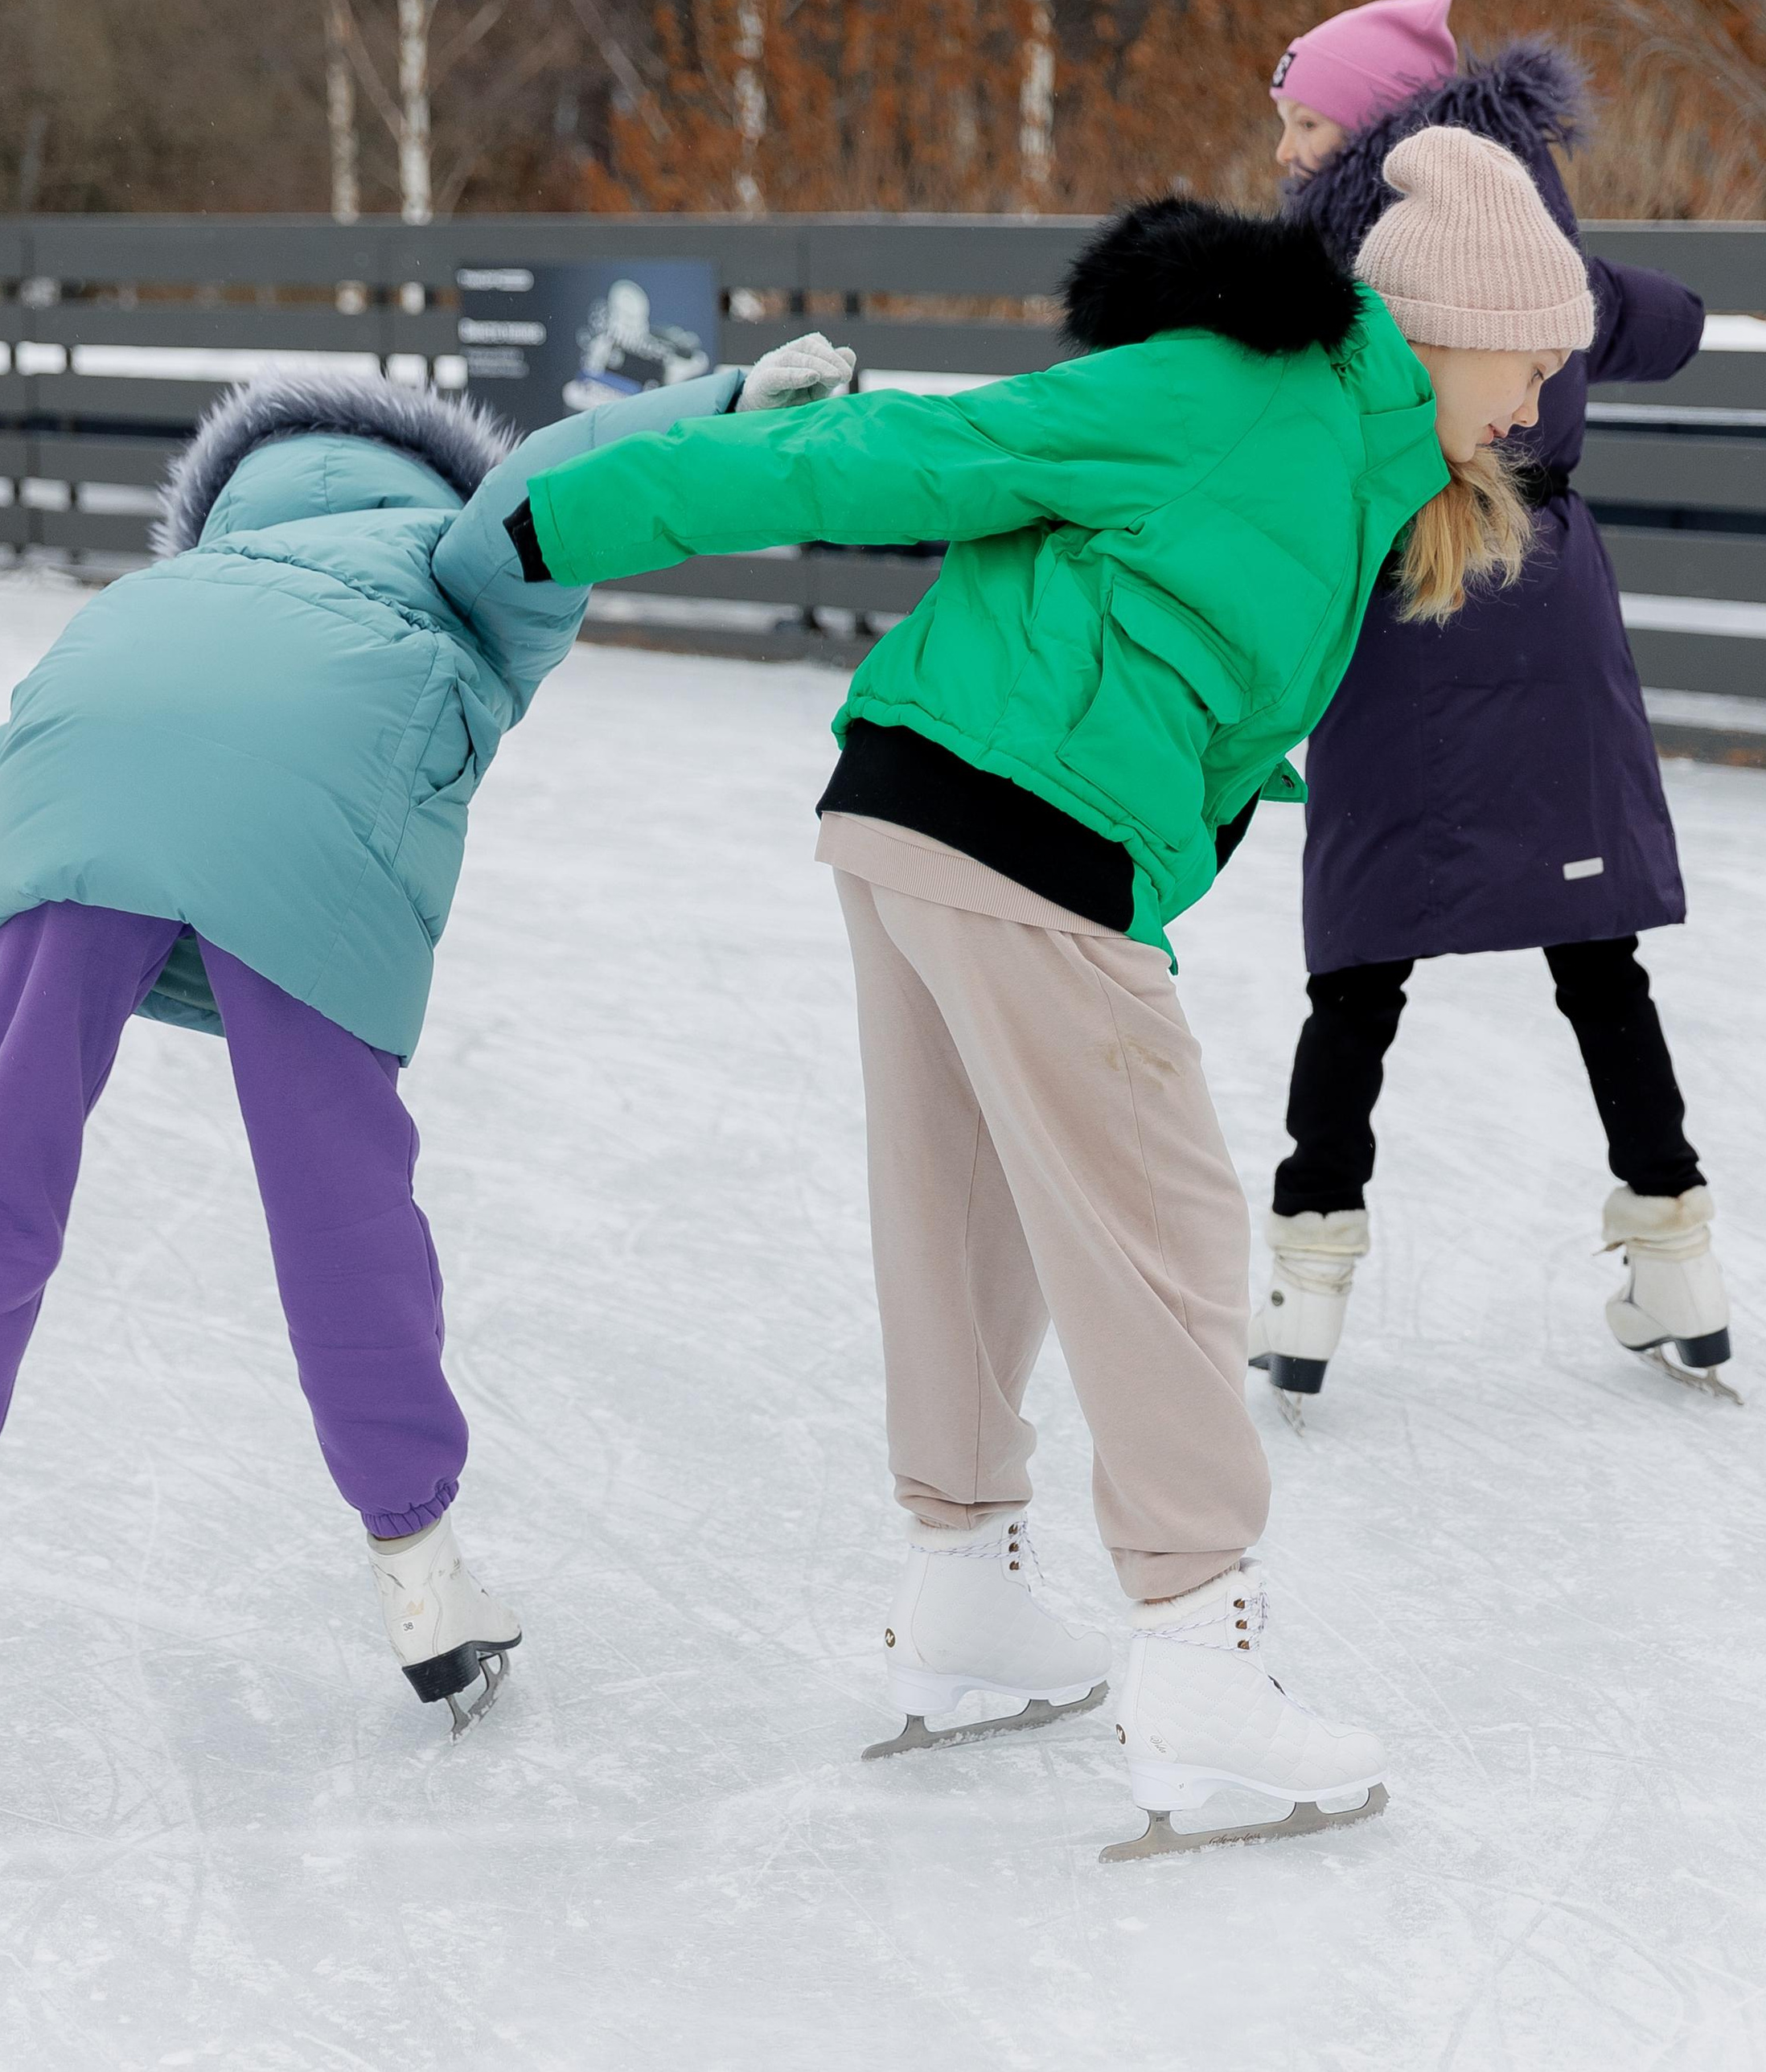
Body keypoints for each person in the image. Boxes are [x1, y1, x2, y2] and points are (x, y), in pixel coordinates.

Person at [497, 133, 1589, 1861]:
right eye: (1531, 347)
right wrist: (569, 516)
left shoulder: (1365, 468)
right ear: (1444, 322)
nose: (1541, 388)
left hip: (926, 813)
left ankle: (960, 1596)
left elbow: (1194, 656)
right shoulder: (1247, 389)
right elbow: (923, 451)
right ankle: (1200, 1658)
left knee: (967, 1214)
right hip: (1017, 826)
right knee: (1156, 1234)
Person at [0, 336, 853, 1734]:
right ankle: (424, 1580)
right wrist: (720, 404)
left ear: (231, 505)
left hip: (80, 769)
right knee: (341, 1218)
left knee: (1, 1162)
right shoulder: (458, 551)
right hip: (314, 840)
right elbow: (555, 477)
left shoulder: (175, 586)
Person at [1258, 0, 1727, 1407]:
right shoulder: (1540, 231)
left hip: (1406, 602)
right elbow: (1657, 321)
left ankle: (1310, 1273)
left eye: (1304, 120)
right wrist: (1665, 310)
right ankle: (1677, 1252)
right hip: (1544, 609)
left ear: (1375, 127)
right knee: (1594, 948)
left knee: (1362, 958)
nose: (1286, 150)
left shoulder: (1339, 261)